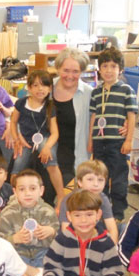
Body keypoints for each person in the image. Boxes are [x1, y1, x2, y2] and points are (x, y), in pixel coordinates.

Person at [40, 190, 125, 276]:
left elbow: (112, 270)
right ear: (69, 216)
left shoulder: (106, 241)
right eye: (77, 215)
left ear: (98, 215)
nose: (83, 220)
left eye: (89, 214)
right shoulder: (63, 238)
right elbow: (51, 264)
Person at [88, 47, 137, 221]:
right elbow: (93, 117)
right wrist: (90, 140)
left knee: (118, 179)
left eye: (113, 66)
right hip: (100, 142)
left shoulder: (126, 90)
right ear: (99, 69)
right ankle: (102, 208)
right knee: (100, 177)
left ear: (120, 69)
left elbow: (131, 116)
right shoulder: (95, 92)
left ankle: (117, 213)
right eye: (105, 66)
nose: (109, 70)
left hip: (118, 142)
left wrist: (129, 140)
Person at [11, 70, 65, 204]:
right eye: (35, 85)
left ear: (50, 88)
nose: (40, 89)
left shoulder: (49, 107)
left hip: (45, 139)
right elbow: (13, 122)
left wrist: (47, 147)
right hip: (24, 140)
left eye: (44, 85)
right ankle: (13, 197)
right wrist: (17, 138)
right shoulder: (21, 103)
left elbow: (55, 133)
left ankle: (61, 196)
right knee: (17, 167)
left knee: (51, 163)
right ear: (28, 88)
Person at [0, 169, 59, 275]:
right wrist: (14, 239)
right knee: (10, 268)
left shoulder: (48, 211)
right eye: (22, 189)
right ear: (15, 192)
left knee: (53, 269)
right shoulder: (7, 213)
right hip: (18, 255)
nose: (27, 193)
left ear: (41, 190)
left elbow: (61, 239)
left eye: (33, 188)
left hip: (43, 253)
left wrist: (52, 232)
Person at [52, 48, 93, 186]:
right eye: (66, 70)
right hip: (45, 148)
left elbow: (104, 115)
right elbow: (25, 109)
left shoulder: (89, 93)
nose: (70, 75)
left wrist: (125, 126)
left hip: (72, 153)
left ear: (82, 71)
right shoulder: (46, 88)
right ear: (58, 69)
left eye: (75, 71)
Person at [58, 160, 118, 243]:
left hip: (94, 232)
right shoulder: (69, 200)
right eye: (90, 179)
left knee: (122, 227)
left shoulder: (103, 198)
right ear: (80, 182)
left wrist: (112, 250)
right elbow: (66, 229)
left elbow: (111, 227)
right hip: (74, 236)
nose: (96, 184)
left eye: (100, 180)